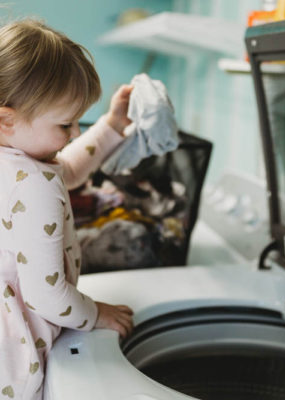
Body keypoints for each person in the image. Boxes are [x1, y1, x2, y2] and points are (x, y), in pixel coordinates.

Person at [0, 18, 134, 399]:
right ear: (7, 120)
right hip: (18, 349)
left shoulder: (14, 158)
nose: (75, 133)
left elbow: (68, 170)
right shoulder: (35, 185)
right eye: (66, 124)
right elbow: (46, 296)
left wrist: (111, 125)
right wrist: (96, 314)